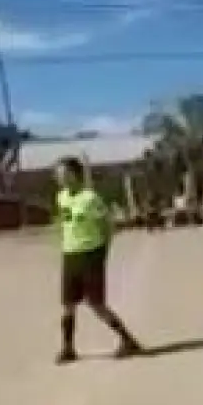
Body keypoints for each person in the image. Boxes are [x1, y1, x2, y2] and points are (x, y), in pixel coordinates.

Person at [54, 156, 143, 364]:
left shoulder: (90, 198)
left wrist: (102, 252)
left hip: (90, 254)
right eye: (58, 175)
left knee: (97, 305)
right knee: (68, 304)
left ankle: (128, 340)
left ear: (75, 175)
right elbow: (64, 223)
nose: (60, 178)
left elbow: (107, 226)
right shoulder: (62, 197)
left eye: (64, 174)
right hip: (70, 254)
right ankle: (68, 348)